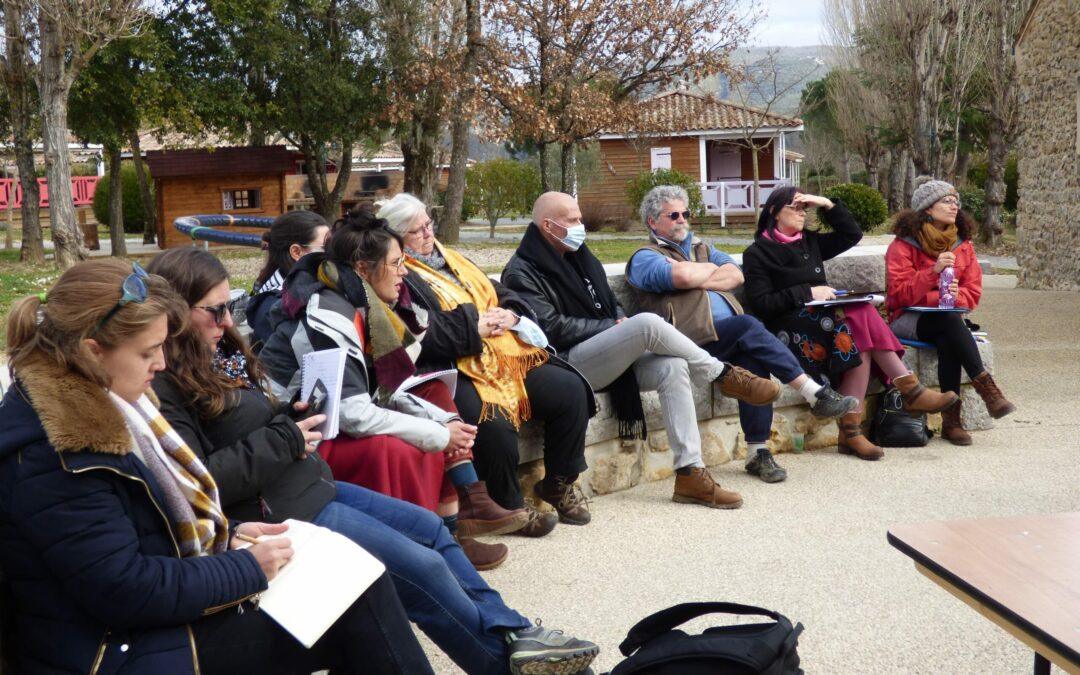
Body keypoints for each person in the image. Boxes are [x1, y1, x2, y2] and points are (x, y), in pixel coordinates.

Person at [148, 247, 600, 675]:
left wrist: (288, 415)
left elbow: (250, 427)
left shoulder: (220, 354)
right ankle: (504, 664)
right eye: (216, 310)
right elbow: (200, 483)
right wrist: (283, 437)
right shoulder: (162, 381)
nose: (229, 322)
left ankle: (515, 632)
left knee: (431, 532)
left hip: (307, 485)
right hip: (280, 513)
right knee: (421, 571)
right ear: (175, 310)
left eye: (232, 306)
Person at [0, 259, 433, 674]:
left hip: (131, 629)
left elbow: (133, 537)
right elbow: (125, 590)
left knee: (356, 585)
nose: (162, 364)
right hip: (111, 653)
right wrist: (247, 568)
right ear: (93, 352)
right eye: (149, 351)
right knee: (356, 603)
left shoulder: (103, 407)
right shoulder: (58, 449)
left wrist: (230, 535)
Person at [259, 210, 533, 570]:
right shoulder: (329, 313)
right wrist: (437, 432)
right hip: (295, 440)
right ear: (362, 268)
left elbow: (383, 391)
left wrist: (444, 421)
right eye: (395, 263)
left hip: (326, 425)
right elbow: (352, 413)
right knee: (400, 448)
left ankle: (436, 544)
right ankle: (414, 558)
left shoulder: (365, 304)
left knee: (426, 427)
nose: (405, 271)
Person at [506, 192, 790, 509]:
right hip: (567, 364)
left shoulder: (579, 256)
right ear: (548, 225)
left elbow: (607, 304)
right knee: (647, 324)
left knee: (674, 367)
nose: (581, 226)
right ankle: (722, 374)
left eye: (581, 219)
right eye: (573, 221)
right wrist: (614, 328)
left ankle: (690, 474)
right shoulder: (522, 271)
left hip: (602, 354)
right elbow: (551, 329)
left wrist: (617, 319)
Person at [378, 193, 594, 535]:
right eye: (415, 232)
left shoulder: (453, 258)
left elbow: (499, 290)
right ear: (395, 239)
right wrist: (472, 326)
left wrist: (510, 313)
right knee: (490, 422)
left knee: (569, 390)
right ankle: (509, 508)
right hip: (452, 364)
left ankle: (559, 481)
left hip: (503, 352)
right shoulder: (399, 275)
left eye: (428, 225)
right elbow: (419, 331)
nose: (427, 234)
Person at [626, 185, 863, 480]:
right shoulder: (644, 257)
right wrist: (702, 274)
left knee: (754, 361)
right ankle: (813, 392)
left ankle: (757, 452)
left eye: (685, 213)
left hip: (724, 337)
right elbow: (684, 275)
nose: (682, 219)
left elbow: (735, 275)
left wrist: (696, 277)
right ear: (652, 221)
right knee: (748, 326)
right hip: (687, 340)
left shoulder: (703, 249)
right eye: (673, 215)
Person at [742, 186, 958, 460]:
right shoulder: (758, 253)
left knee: (861, 317)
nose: (802, 214)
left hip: (825, 321)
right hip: (791, 329)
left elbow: (851, 234)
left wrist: (826, 203)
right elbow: (763, 304)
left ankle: (854, 431)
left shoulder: (808, 242)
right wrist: (807, 293)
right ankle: (905, 394)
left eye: (804, 208)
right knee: (857, 324)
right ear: (774, 212)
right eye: (795, 208)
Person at [886, 177, 1015, 445]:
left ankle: (952, 422)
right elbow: (898, 295)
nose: (954, 206)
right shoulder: (903, 245)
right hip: (909, 318)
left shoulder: (963, 245)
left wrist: (959, 296)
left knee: (948, 333)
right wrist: (932, 273)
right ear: (928, 209)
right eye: (946, 201)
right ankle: (988, 392)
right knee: (948, 321)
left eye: (956, 201)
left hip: (947, 319)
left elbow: (973, 292)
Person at [247, 210, 331, 350]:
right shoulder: (274, 304)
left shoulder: (300, 290)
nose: (332, 254)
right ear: (296, 252)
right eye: (326, 248)